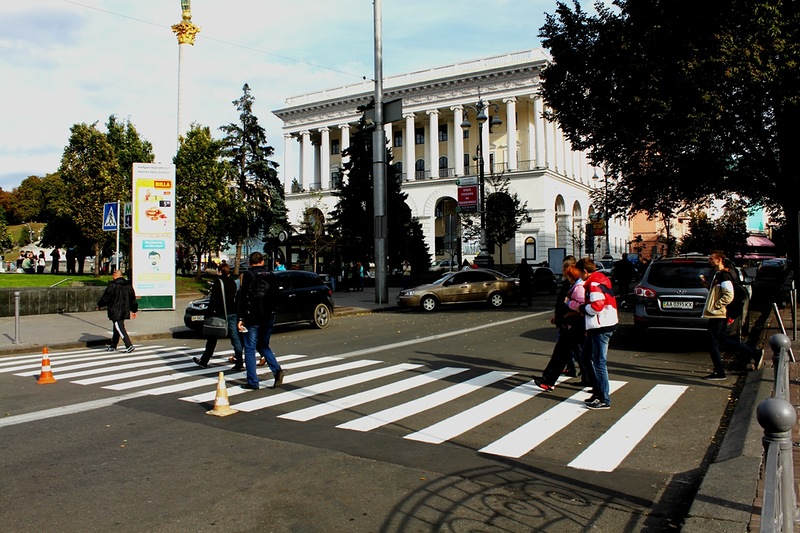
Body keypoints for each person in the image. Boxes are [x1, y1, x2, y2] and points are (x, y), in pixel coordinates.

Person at [700, 251, 763, 380]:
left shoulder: (724, 275)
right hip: (719, 313)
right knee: (723, 340)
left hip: (718, 313)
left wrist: (717, 306)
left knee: (712, 342)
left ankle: (719, 372)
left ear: (719, 260)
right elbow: (718, 293)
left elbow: (728, 295)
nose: (709, 261)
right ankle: (754, 353)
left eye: (711, 258)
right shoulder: (719, 275)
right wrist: (706, 284)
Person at [534, 258, 586, 391]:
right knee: (574, 353)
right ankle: (587, 378)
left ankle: (548, 380)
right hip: (571, 324)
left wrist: (567, 311)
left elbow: (580, 307)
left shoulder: (578, 287)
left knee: (562, 353)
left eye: (567, 274)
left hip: (572, 325)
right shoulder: (577, 286)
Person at [237, 252, 285, 390]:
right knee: (263, 344)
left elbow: (243, 297)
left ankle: (253, 381)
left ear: (250, 263)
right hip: (269, 315)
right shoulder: (271, 275)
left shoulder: (248, 275)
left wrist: (241, 318)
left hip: (253, 316)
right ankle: (277, 370)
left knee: (250, 348)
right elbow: (277, 295)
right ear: (262, 262)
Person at [576, 257, 618, 410]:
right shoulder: (600, 280)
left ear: (584, 271)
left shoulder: (593, 284)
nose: (579, 276)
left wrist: (582, 309)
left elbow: (597, 306)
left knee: (599, 362)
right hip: (602, 325)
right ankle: (598, 391)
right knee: (585, 357)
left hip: (601, 326)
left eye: (579, 272)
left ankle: (604, 398)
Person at [192, 263, 244, 370]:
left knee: (212, 338)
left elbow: (214, 300)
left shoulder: (218, 282)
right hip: (232, 313)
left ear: (219, 271)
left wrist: (208, 314)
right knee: (235, 338)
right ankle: (239, 362)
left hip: (220, 313)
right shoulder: (233, 283)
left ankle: (204, 360)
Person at [96, 269, 138, 353]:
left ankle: (128, 345)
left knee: (119, 327)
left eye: (113, 274)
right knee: (117, 327)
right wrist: (134, 310)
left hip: (115, 310)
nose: (112, 276)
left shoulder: (113, 285)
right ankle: (113, 345)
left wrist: (99, 305)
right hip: (124, 309)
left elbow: (106, 297)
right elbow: (132, 298)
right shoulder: (128, 285)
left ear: (115, 275)